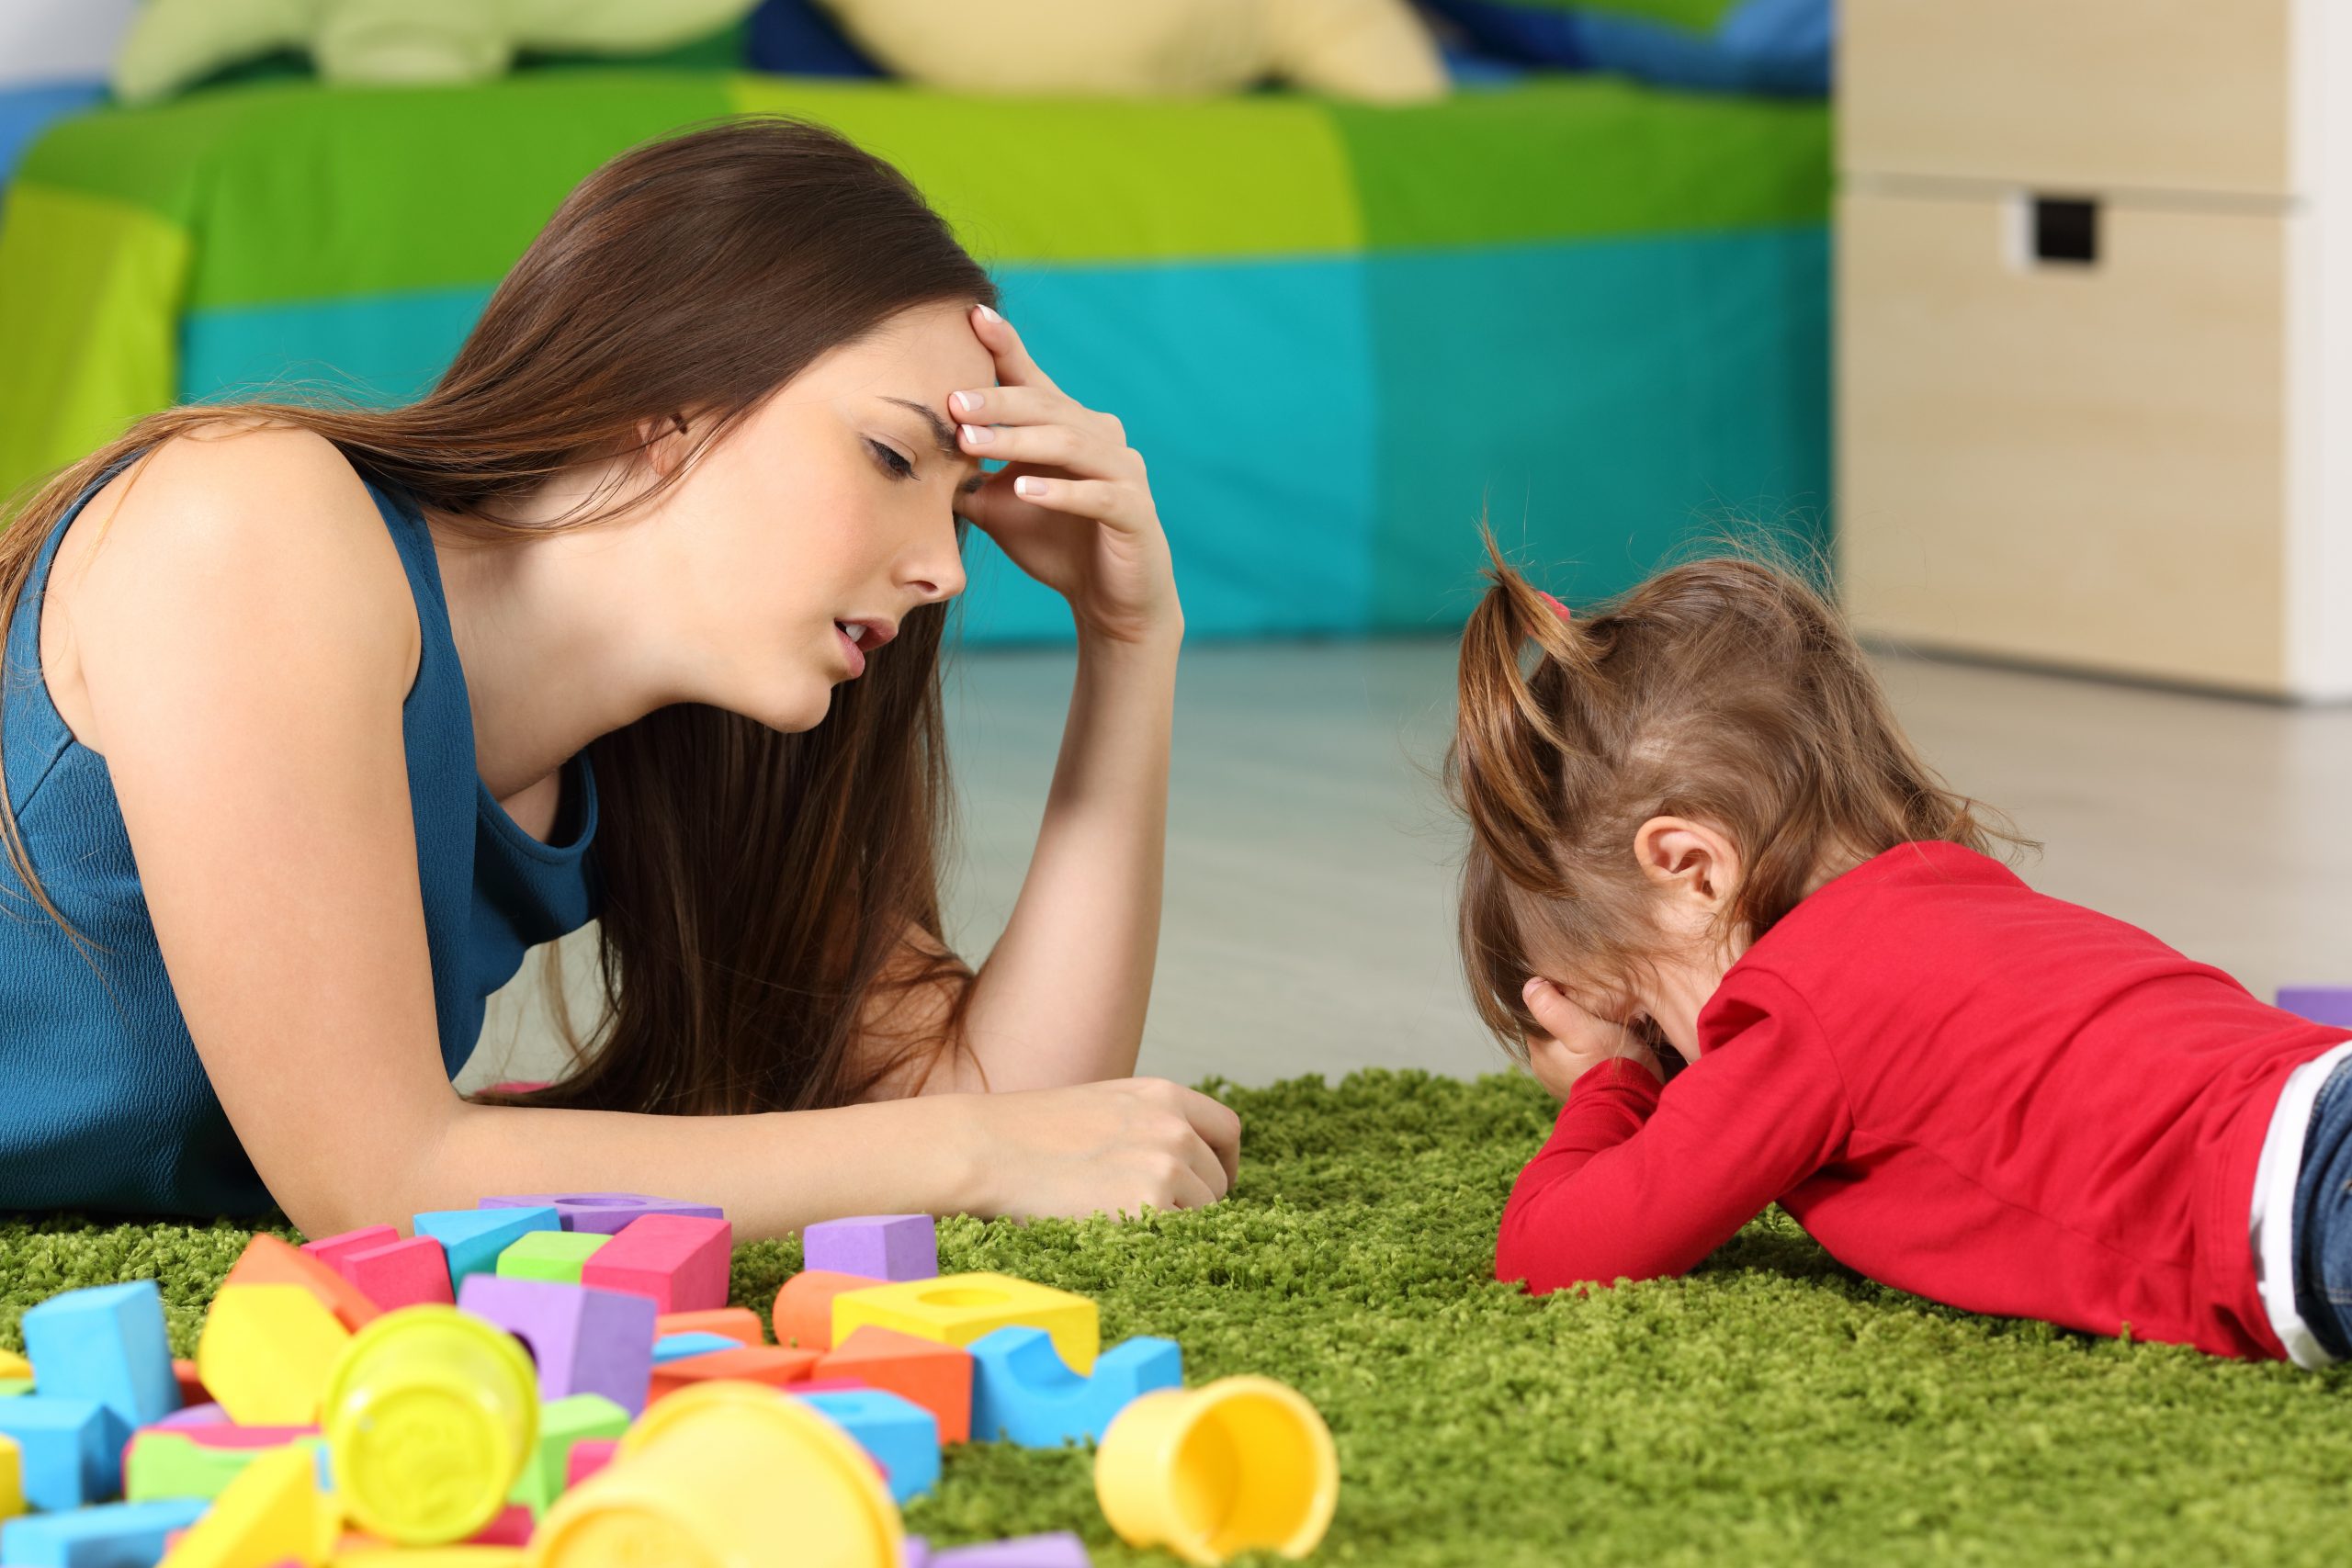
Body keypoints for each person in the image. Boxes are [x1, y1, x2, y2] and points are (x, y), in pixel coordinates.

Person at [0, 117, 1238, 1237]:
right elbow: (375, 1180)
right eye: (889, 454)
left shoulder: (663, 748)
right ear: (666, 405)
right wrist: (969, 1151)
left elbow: (1023, 1107)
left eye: (958, 510)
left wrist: (1130, 644)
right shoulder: (248, 524)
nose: (943, 573)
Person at [1448, 544, 2352, 1362]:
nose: (1679, 1067)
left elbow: (1551, 1255)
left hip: (2308, 1205)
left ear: (1690, 869)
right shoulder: (1955, 892)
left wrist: (1610, 1084)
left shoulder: (1791, 1008)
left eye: (1645, 1018)